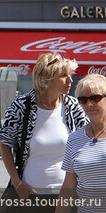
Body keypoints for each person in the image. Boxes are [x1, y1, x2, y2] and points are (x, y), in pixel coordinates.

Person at [0, 52, 86, 212]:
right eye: (64, 75)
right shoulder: (22, 106)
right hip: (30, 195)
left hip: (66, 195)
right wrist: (17, 183)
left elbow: (86, 143)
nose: (70, 80)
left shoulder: (72, 106)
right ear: (47, 79)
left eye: (70, 74)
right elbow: (4, 143)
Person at [57, 73, 106, 213]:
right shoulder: (74, 138)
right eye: (83, 100)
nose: (89, 104)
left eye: (95, 98)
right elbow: (68, 188)